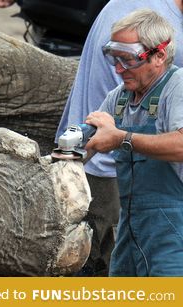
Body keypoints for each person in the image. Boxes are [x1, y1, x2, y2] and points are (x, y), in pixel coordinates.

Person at [55, 0, 183, 276]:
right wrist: (70, 152)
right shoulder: (120, 97)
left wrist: (121, 138)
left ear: (159, 55)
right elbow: (93, 137)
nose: (118, 68)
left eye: (128, 58)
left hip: (173, 230)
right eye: (114, 57)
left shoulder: (177, 86)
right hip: (130, 228)